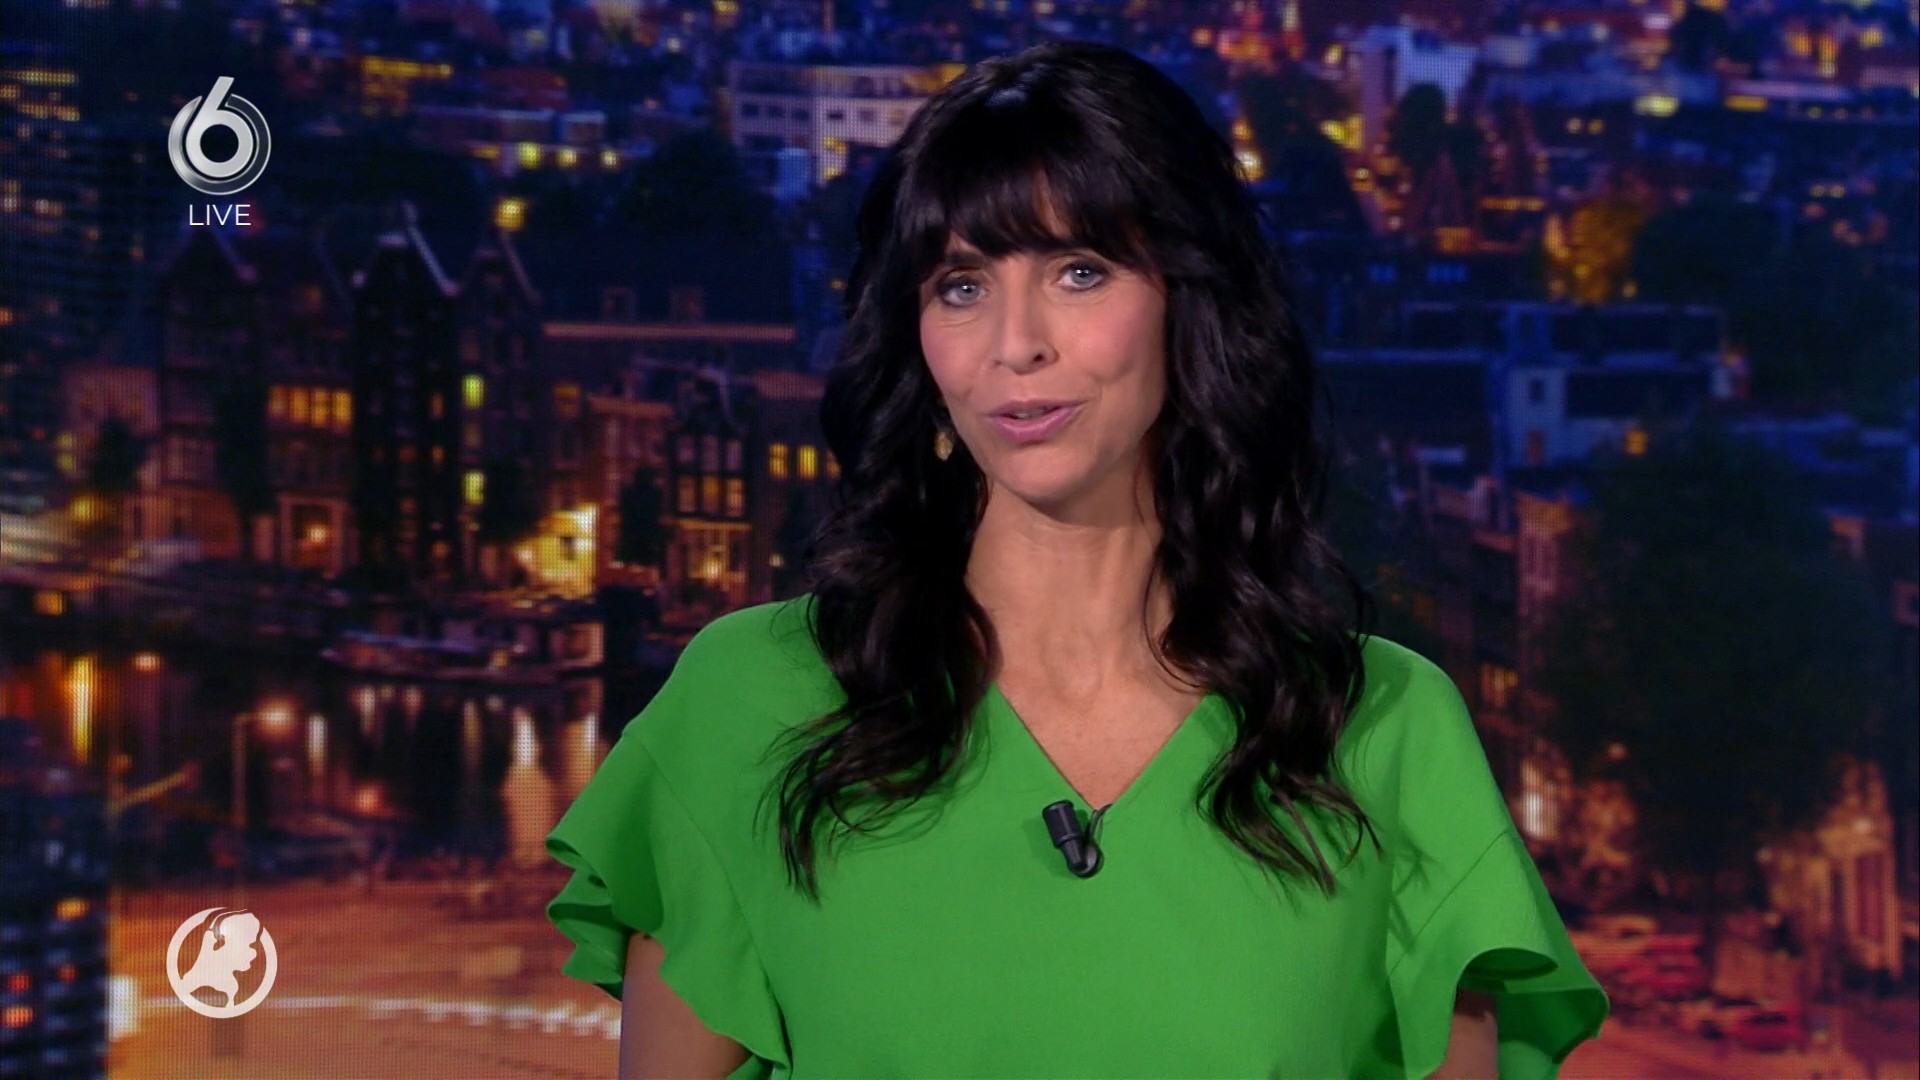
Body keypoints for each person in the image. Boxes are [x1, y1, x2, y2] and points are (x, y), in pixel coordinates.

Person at [545, 40, 1609, 1080]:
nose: (1016, 343)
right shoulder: (747, 707)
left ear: (1192, 304)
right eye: (961, 285)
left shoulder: (1385, 733)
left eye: (1079, 271)